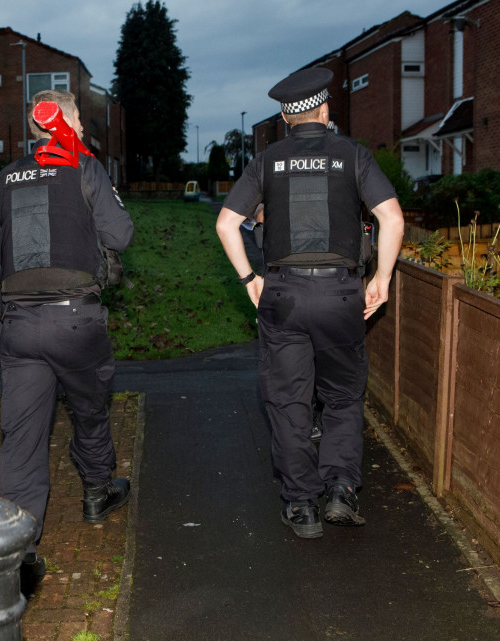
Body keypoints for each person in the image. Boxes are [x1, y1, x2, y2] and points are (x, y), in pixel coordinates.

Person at [216, 68, 404, 539]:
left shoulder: (267, 160)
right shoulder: (353, 155)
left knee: (287, 401)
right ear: (324, 111)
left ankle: (302, 506)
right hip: (342, 294)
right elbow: (391, 217)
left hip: (284, 294)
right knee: (342, 397)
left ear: (285, 117)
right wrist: (380, 278)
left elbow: (225, 223)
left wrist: (248, 279)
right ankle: (341, 488)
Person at [0, 90, 134, 594]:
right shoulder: (85, 169)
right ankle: (95, 492)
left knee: (21, 439)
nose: (85, 132)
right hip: (76, 321)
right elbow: (122, 234)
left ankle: (20, 553)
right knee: (89, 411)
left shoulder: (6, 178)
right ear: (63, 122)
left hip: (19, 325)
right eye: (80, 123)